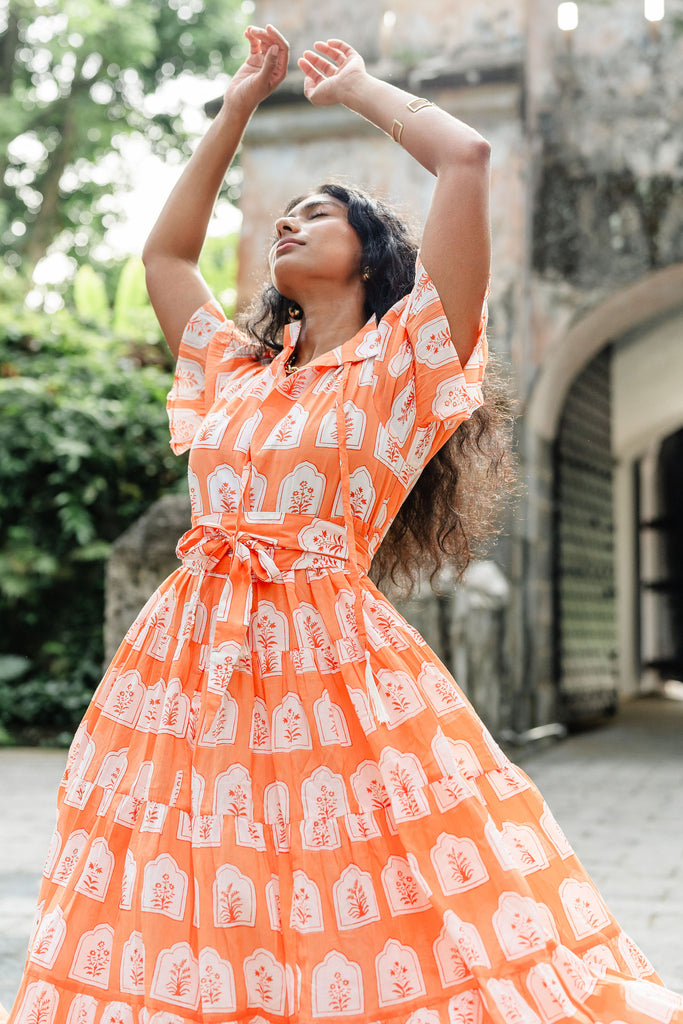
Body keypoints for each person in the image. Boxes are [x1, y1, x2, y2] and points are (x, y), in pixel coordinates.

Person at [8, 23, 682, 1024]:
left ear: (368, 253)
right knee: (194, 876)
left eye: (315, 213)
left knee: (363, 875)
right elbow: (166, 253)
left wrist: (361, 88)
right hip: (186, 662)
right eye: (283, 215)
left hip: (328, 660)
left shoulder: (405, 359)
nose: (287, 223)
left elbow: (467, 157)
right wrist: (236, 108)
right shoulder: (233, 372)